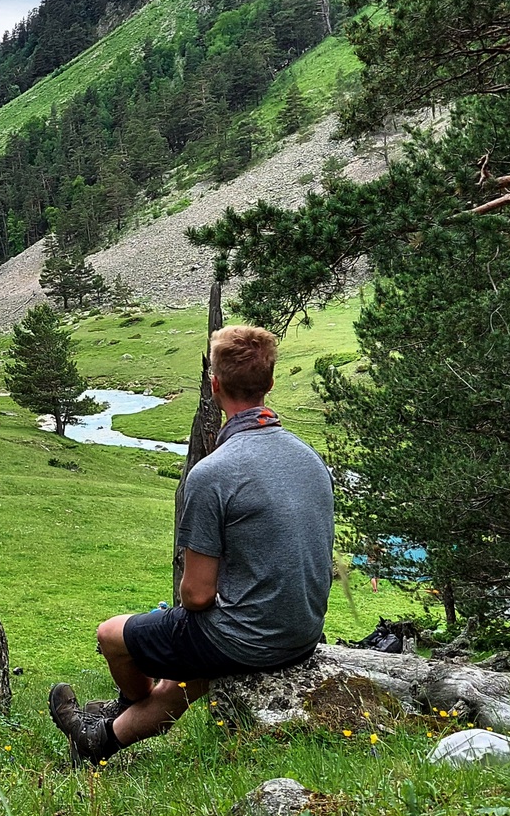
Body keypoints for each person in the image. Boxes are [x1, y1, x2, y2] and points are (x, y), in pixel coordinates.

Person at [49, 325, 334, 763]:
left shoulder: (213, 473)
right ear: (270, 384)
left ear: (214, 385)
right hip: (301, 633)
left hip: (247, 637)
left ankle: (122, 707)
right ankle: (97, 741)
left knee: (111, 635)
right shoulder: (309, 459)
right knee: (181, 683)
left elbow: (197, 596)